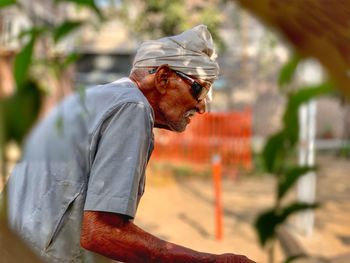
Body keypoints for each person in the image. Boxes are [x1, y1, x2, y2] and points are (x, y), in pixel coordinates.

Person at [7, 25, 255, 263]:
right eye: (199, 91)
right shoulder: (132, 108)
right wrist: (209, 261)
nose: (202, 107)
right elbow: (102, 233)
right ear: (164, 78)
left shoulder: (95, 99)